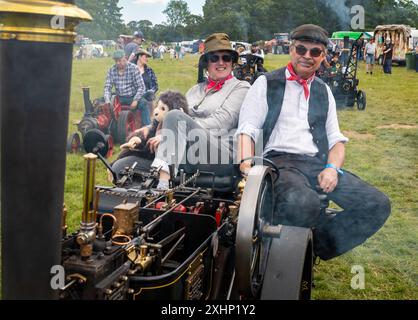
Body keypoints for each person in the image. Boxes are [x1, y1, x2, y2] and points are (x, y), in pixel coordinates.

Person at [236, 24, 391, 261]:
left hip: (316, 163)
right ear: (291, 49)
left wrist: (331, 168)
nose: (307, 57)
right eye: (301, 49)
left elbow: (337, 141)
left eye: (315, 52)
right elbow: (247, 129)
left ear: (323, 56)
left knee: (377, 204)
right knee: (304, 203)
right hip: (279, 162)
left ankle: (316, 245)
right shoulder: (267, 83)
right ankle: (286, 256)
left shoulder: (323, 90)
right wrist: (246, 168)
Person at [111, 33, 251, 189]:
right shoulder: (194, 90)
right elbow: (169, 117)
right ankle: (138, 207)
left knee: (175, 115)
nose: (221, 62)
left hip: (220, 154)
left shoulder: (241, 87)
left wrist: (173, 131)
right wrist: (146, 132)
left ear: (232, 63)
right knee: (121, 167)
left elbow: (222, 121)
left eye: (226, 58)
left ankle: (163, 185)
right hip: (183, 153)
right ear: (206, 63)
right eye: (214, 58)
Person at [103, 50, 148, 123]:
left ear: (126, 58)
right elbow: (107, 88)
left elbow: (141, 87)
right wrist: (107, 101)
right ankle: (109, 128)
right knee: (102, 105)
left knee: (144, 103)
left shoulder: (134, 68)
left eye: (120, 60)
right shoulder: (111, 70)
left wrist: (136, 100)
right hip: (118, 98)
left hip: (132, 96)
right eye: (116, 61)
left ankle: (147, 127)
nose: (118, 63)